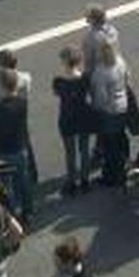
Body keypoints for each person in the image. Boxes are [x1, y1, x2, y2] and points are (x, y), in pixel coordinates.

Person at [0, 68, 33, 221]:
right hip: (19, 147)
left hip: (2, 149)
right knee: (23, 180)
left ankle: (12, 214)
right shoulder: (23, 103)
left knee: (5, 185)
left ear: (2, 86)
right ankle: (28, 211)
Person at [52, 46, 94, 196]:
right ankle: (85, 179)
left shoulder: (59, 81)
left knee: (70, 152)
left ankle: (71, 181)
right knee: (84, 149)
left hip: (67, 117)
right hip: (83, 116)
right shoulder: (85, 78)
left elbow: (57, 93)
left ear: (64, 61)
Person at [90, 41, 133, 188]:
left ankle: (111, 177)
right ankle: (124, 166)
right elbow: (128, 78)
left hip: (109, 111)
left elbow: (101, 98)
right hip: (123, 106)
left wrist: (95, 108)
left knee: (110, 146)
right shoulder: (120, 62)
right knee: (120, 138)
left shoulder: (100, 72)